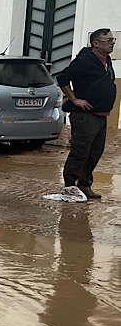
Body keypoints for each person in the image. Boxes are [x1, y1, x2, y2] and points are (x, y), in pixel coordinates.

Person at [56, 28, 116, 200]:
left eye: (113, 39)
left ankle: (84, 184)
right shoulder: (85, 60)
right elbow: (63, 78)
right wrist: (74, 99)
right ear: (96, 43)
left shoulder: (106, 60)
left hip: (101, 114)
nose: (112, 43)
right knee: (80, 151)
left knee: (95, 152)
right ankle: (69, 187)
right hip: (85, 115)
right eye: (108, 40)